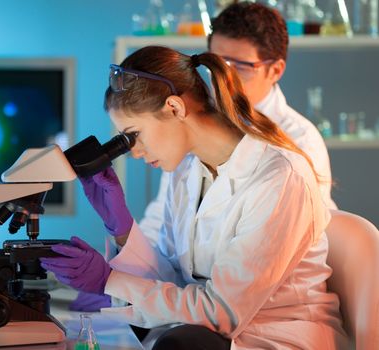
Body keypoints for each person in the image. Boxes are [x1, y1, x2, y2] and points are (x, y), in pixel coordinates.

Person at [41, 46, 347, 349]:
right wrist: (122, 228)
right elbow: (173, 281)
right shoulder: (187, 172)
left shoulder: (279, 178)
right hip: (209, 334)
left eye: (133, 135)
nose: (133, 152)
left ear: (175, 108)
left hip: (278, 336)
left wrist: (109, 280)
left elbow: (222, 312)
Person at [139, 1, 336, 244]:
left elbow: (281, 245)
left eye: (240, 68)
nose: (223, 80)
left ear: (275, 70)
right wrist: (121, 260)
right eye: (217, 66)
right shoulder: (192, 125)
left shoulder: (298, 140)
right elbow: (161, 220)